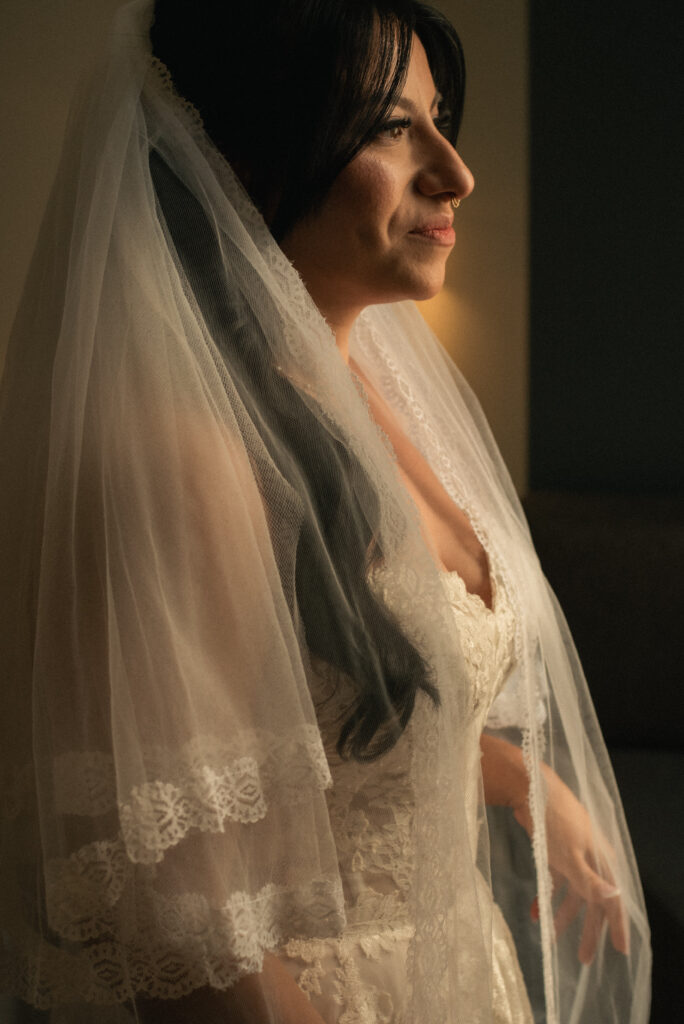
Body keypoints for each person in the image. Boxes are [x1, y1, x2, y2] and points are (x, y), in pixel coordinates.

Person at [0, 1, 651, 1021]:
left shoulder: (371, 395)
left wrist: (520, 779)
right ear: (242, 161)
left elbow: (334, 721)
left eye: (440, 120)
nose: (455, 173)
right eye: (392, 128)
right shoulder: (182, 458)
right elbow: (179, 929)